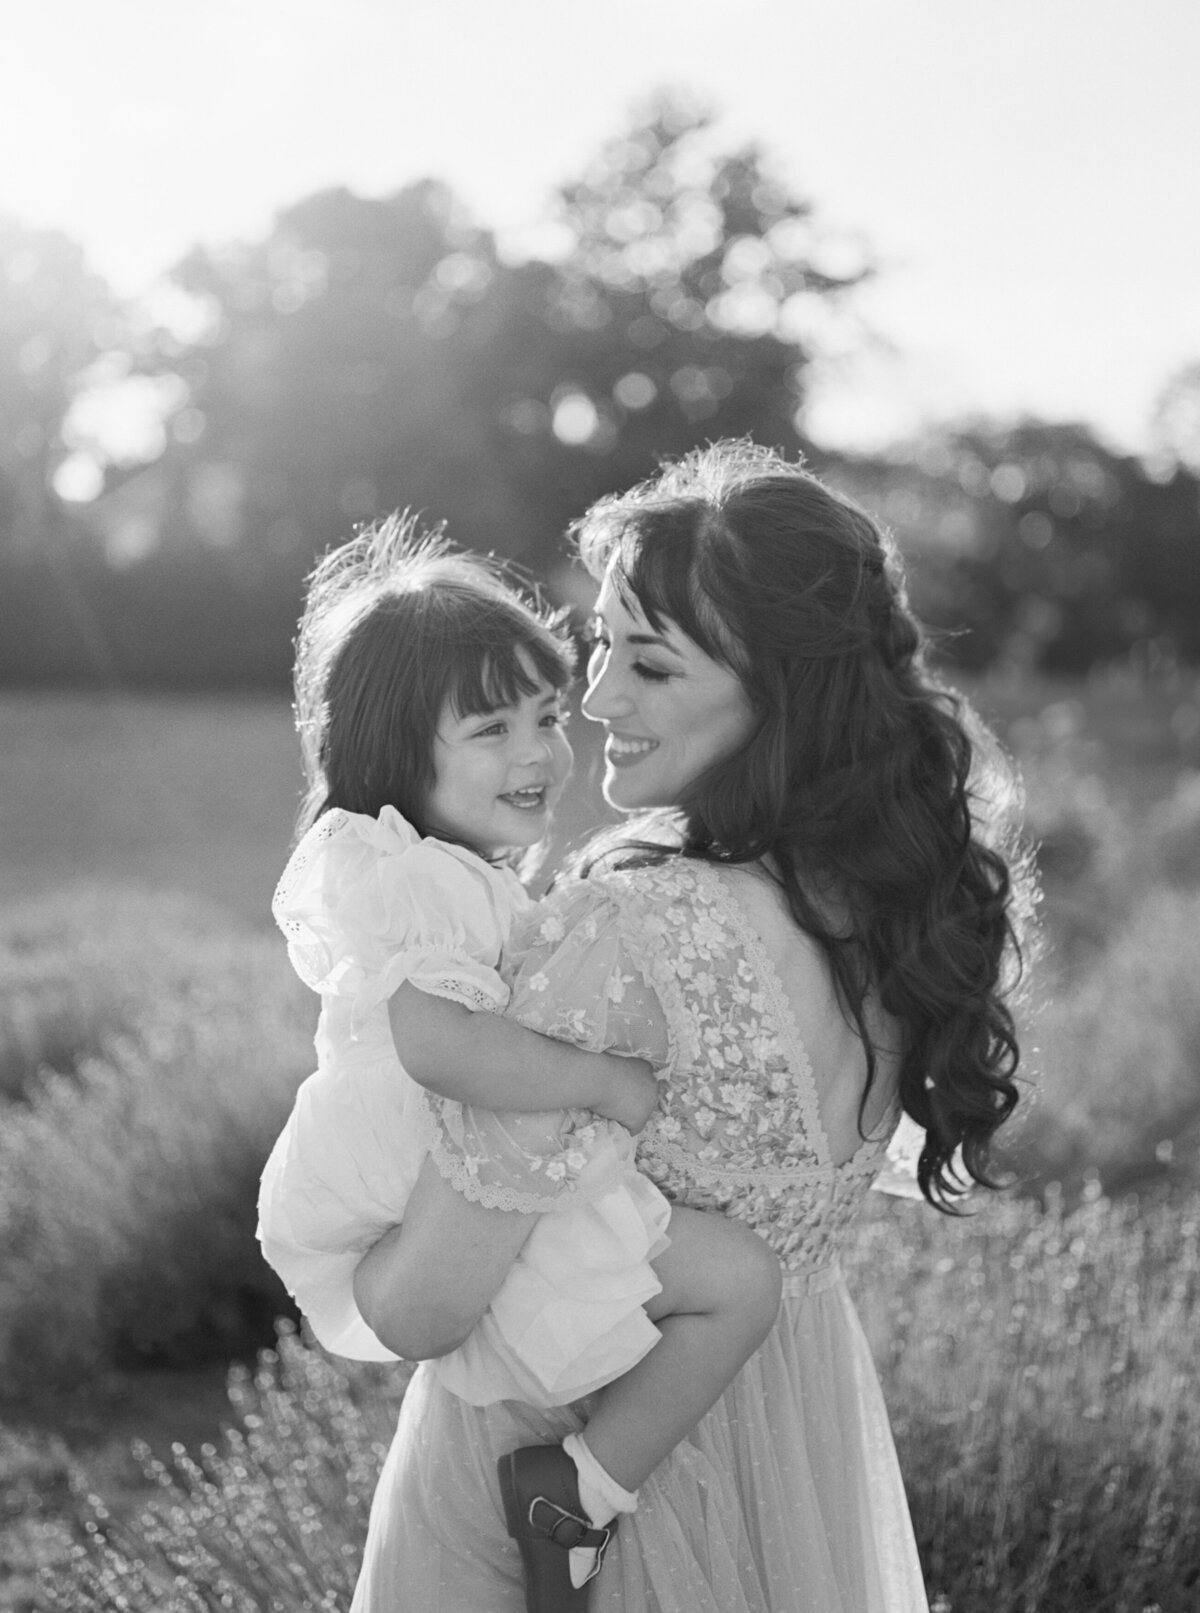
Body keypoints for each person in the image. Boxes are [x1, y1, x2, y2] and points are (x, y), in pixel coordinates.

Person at [346, 441, 1033, 1613]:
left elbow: (427, 1307)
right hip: (785, 1439)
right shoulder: (897, 916)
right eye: (604, 641)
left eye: (651, 664)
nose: (598, 693)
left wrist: (339, 1230)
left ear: (784, 690)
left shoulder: (626, 933)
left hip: (540, 1477)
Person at [257, 516, 785, 1604]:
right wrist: (599, 1080)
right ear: (396, 757)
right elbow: (441, 1045)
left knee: (725, 1278)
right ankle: (576, 1490)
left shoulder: (456, 874)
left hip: (425, 1183)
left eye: (546, 714)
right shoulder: (425, 884)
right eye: (491, 727)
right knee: (740, 1280)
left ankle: (576, 1481)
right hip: (409, 1174)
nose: (542, 750)